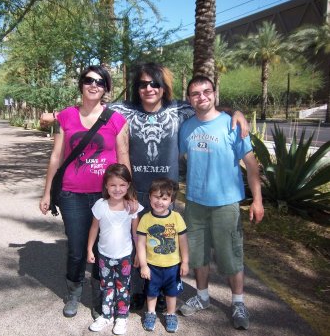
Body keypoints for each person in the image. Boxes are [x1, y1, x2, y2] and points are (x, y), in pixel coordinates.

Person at [40, 62, 249, 311]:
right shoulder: (124, 110)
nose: (149, 88)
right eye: (143, 84)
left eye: (155, 83)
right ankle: (137, 291)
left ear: (163, 87)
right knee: (135, 242)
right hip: (135, 190)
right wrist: (54, 116)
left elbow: (204, 106)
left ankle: (160, 292)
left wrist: (235, 111)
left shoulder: (179, 109)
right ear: (137, 89)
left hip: (164, 193)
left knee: (162, 242)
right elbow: (93, 107)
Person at [39, 65, 131, 319]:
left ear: (106, 89)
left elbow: (123, 156)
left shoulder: (116, 119)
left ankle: (101, 296)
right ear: (81, 84)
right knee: (78, 248)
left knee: (105, 248)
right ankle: (74, 291)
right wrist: (47, 193)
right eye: (89, 80)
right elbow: (56, 156)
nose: (94, 85)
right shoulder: (66, 116)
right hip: (72, 195)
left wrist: (127, 193)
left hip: (107, 197)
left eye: (100, 82)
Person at [178, 75, 264, 330]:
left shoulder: (232, 125)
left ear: (214, 93)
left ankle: (238, 303)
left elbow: (251, 165)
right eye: (195, 93)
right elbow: (186, 158)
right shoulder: (187, 127)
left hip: (226, 204)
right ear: (190, 98)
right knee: (198, 255)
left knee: (231, 256)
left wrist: (257, 201)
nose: (201, 97)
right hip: (194, 202)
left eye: (206, 91)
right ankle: (202, 296)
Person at [86, 163, 144, 334]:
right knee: (106, 286)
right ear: (106, 186)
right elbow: (94, 228)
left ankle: (122, 317)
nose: (117, 189)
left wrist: (138, 255)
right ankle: (106, 315)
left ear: (128, 185)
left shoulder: (132, 207)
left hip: (125, 256)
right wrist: (90, 249)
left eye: (122, 185)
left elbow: (136, 233)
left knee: (123, 287)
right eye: (113, 185)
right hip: (104, 256)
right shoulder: (100, 205)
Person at [136, 178, 189, 333]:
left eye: (164, 198)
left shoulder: (176, 218)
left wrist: (185, 262)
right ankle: (151, 313)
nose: (160, 202)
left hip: (173, 266)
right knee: (151, 292)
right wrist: (144, 264)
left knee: (171, 293)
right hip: (152, 265)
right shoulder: (145, 219)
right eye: (156, 197)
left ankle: (171, 314)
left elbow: (183, 241)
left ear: (171, 200)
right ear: (149, 197)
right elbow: (140, 243)